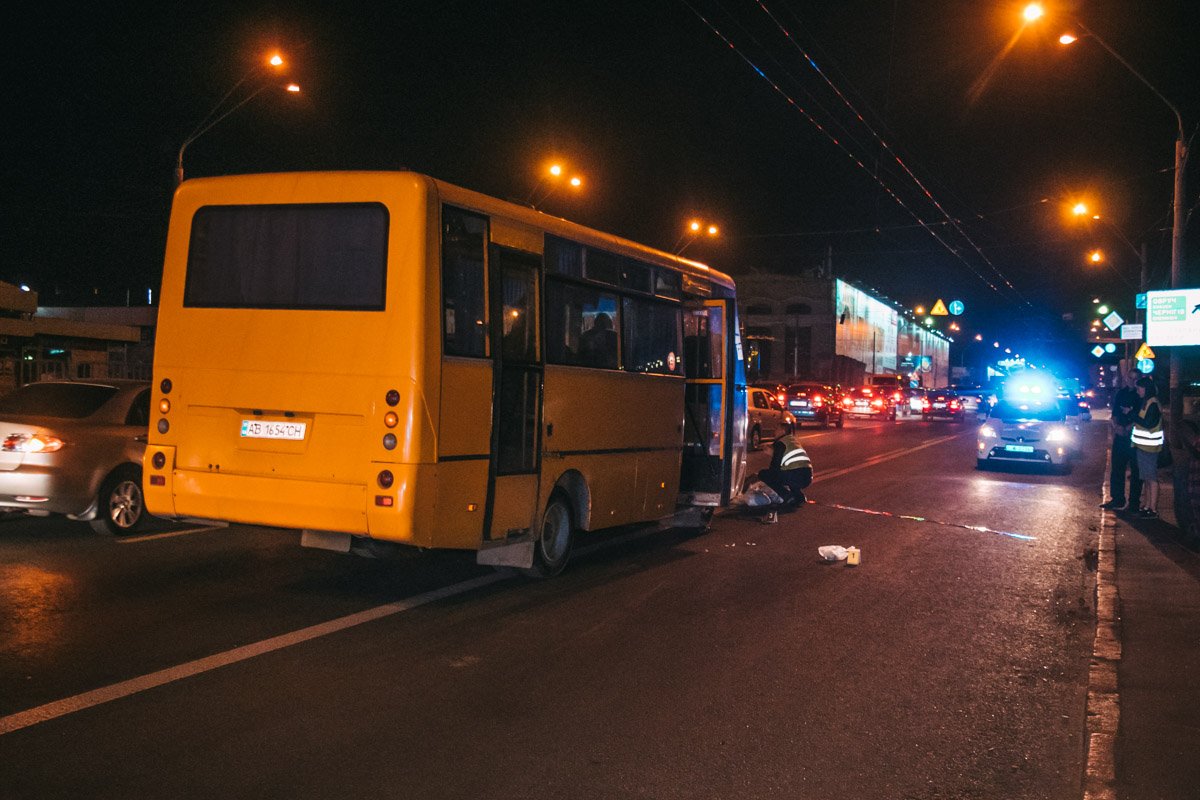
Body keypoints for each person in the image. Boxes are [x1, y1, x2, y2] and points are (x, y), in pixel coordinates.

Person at [1100, 370, 1142, 511]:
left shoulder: (1141, 395)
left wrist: (1128, 428)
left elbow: (1140, 416)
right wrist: (1117, 426)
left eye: (1135, 379)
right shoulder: (1121, 393)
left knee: (1136, 471)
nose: (1132, 381)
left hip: (1134, 438)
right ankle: (1117, 499)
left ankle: (1134, 503)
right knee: (1117, 468)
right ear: (1125, 378)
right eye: (1130, 378)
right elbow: (1115, 413)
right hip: (1120, 435)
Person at [1130, 375, 1164, 519]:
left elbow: (1149, 423)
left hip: (1150, 447)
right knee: (1146, 477)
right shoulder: (1148, 402)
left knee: (1151, 478)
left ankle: (1153, 509)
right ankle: (1147, 506)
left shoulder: (1153, 404)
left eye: (1139, 388)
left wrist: (1133, 416)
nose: (1138, 391)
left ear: (1145, 388)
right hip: (1144, 446)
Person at [758, 432, 814, 518]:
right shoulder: (792, 441)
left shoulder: (781, 444)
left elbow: (775, 467)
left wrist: (763, 476)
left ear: (781, 430)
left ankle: (787, 496)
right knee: (788, 471)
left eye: (776, 429)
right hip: (808, 477)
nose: (774, 432)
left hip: (795, 476)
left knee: (764, 474)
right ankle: (799, 496)